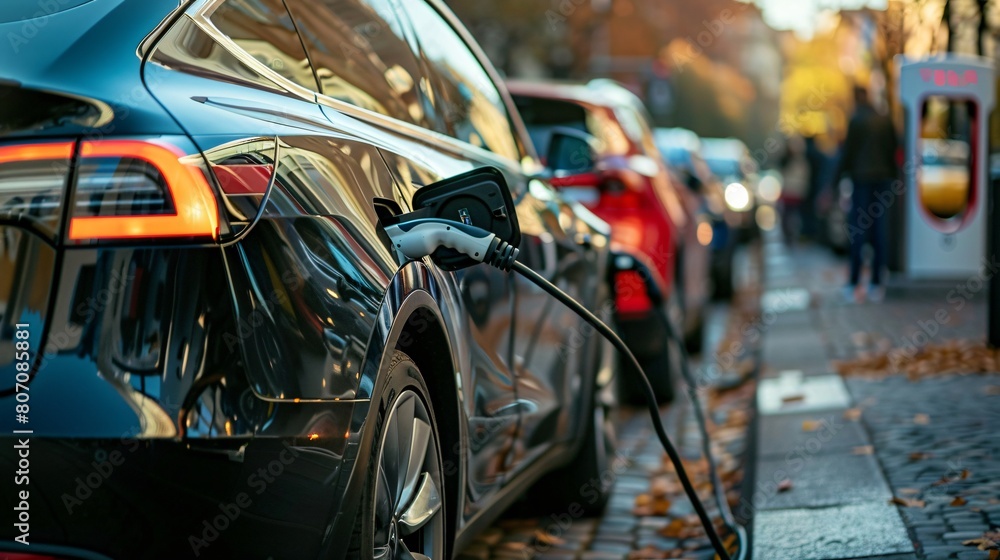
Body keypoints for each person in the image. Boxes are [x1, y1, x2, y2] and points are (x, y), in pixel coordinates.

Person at [834, 85, 899, 303]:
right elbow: (894, 150)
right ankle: (877, 283)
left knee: (858, 231)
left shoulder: (856, 120)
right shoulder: (885, 119)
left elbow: (847, 155)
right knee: (881, 230)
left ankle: (854, 283)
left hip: (861, 180)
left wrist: (834, 184)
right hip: (883, 180)